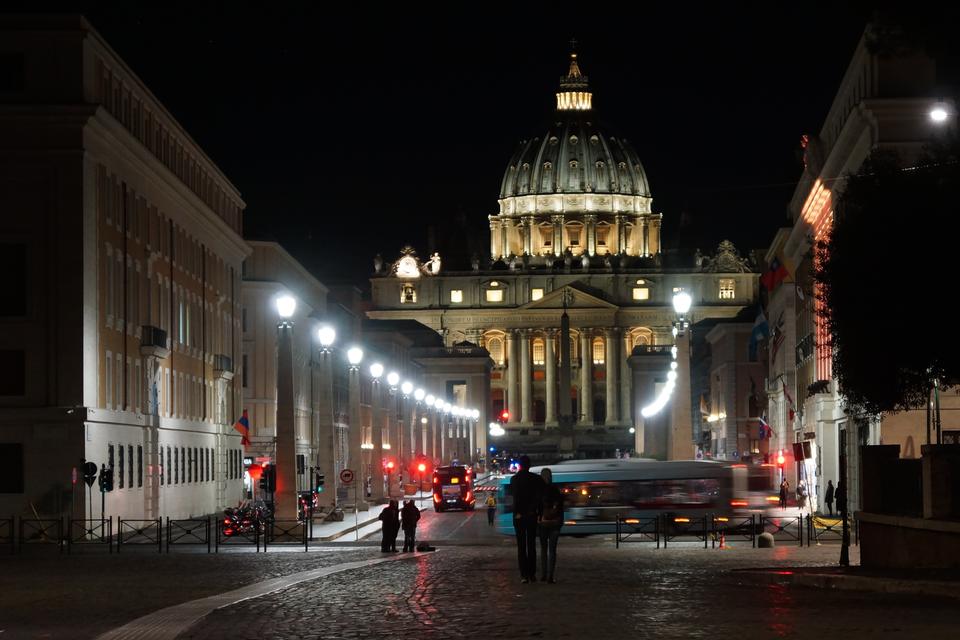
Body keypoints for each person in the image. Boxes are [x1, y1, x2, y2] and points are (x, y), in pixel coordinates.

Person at [509, 455, 544, 583]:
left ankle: (523, 574)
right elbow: (539, 499)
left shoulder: (514, 479)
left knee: (521, 547)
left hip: (519, 516)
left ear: (520, 465)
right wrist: (538, 513)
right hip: (531, 515)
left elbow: (515, 497)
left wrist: (517, 512)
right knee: (531, 545)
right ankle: (532, 574)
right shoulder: (536, 479)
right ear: (529, 465)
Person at [537, 468, 564, 584]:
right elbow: (561, 507)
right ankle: (550, 576)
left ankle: (543, 574)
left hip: (543, 523)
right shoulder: (556, 490)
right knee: (552, 550)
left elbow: (537, 507)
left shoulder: (539, 490)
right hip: (555, 523)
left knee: (543, 549)